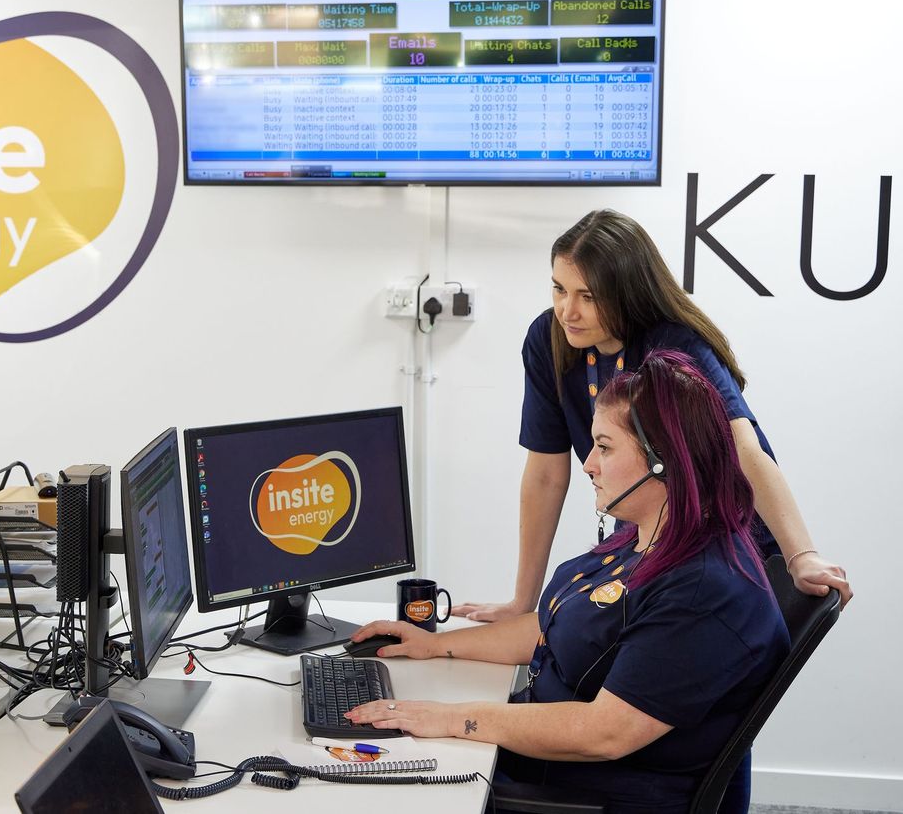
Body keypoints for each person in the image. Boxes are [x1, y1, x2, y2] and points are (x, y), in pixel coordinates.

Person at [346, 351, 790, 814]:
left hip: (584, 795)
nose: (588, 464)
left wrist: (452, 718)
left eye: (605, 447)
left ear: (664, 460)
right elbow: (554, 623)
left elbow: (605, 733)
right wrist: (437, 645)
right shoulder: (646, 535)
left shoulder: (704, 591)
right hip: (539, 759)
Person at [454, 210, 850, 622]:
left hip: (719, 549)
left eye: (588, 297)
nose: (567, 311)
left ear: (627, 292)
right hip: (646, 539)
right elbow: (545, 475)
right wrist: (522, 602)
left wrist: (801, 556)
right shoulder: (548, 339)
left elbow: (744, 451)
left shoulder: (677, 345)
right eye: (559, 289)